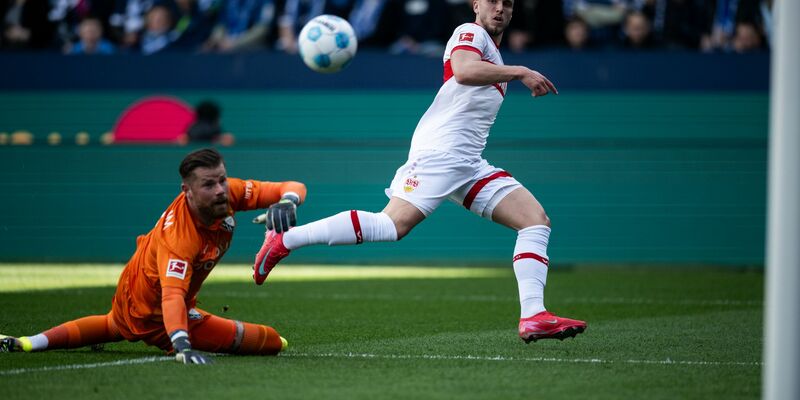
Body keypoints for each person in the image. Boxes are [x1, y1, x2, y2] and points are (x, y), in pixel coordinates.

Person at [253, 0, 587, 343]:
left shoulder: (495, 53)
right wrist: (520, 71)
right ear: (476, 4)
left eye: (507, 3)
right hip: (441, 154)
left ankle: (534, 316)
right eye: (492, 1)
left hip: (468, 162)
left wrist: (512, 69)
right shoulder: (470, 32)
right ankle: (285, 239)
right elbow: (464, 70)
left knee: (535, 220)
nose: (500, 8)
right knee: (392, 225)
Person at [0, 148, 307, 364]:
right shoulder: (180, 240)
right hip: (155, 315)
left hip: (139, 287)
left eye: (222, 179)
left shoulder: (229, 193)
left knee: (114, 326)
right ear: (186, 190)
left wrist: (289, 202)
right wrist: (181, 343)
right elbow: (172, 297)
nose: (220, 190)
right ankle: (162, 336)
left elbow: (291, 185)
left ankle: (29, 342)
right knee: (270, 341)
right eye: (209, 184)